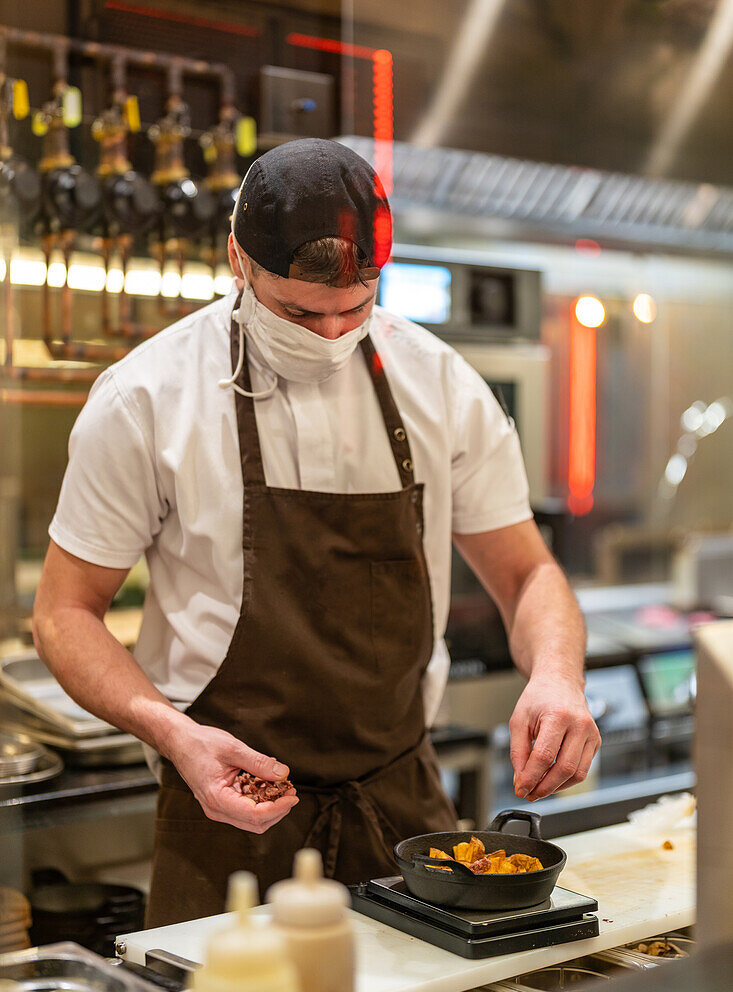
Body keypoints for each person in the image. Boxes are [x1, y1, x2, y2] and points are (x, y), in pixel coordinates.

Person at [33, 139, 600, 927]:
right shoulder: (147, 398)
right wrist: (173, 735)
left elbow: (525, 574)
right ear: (237, 260)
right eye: (298, 313)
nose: (330, 337)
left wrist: (556, 677)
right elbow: (63, 613)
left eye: (356, 308)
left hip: (402, 811)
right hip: (221, 812)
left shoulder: (439, 384)